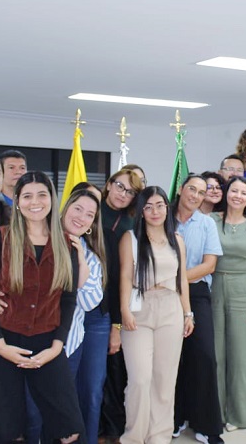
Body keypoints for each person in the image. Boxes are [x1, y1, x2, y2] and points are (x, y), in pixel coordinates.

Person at [0, 171, 83, 443]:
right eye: (27, 196)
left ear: (52, 199)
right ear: (16, 201)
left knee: (70, 429)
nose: (34, 202)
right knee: (7, 429)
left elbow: (69, 298)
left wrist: (57, 346)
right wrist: (0, 345)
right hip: (3, 342)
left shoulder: (66, 244)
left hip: (48, 343)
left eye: (41, 195)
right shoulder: (2, 239)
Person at [119, 186, 194, 444]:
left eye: (160, 205)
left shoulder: (177, 240)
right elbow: (125, 276)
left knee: (164, 380)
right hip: (139, 309)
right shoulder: (130, 238)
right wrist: (124, 310)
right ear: (141, 211)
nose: (155, 211)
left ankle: (159, 437)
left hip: (171, 308)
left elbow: (181, 280)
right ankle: (133, 437)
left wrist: (188, 313)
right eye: (148, 206)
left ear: (167, 208)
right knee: (140, 379)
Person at [210, 176, 246, 430]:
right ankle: (215, 413)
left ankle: (240, 415)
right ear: (226, 193)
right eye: (234, 191)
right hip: (213, 286)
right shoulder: (212, 220)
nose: (238, 196)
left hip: (244, 288)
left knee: (242, 354)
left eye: (243, 193)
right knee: (215, 353)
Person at [171, 175, 224, 444]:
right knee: (172, 358)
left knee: (203, 356)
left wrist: (175, 279)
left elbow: (209, 265)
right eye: (191, 189)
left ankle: (205, 424)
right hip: (163, 295)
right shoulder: (163, 218)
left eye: (201, 192)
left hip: (196, 292)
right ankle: (175, 417)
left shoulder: (206, 223)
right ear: (181, 189)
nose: (195, 195)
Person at [62, 185, 110, 444]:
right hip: (34, 341)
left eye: (89, 215)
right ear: (65, 208)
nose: (81, 217)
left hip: (70, 344)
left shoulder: (90, 257)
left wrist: (80, 259)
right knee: (35, 415)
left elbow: (89, 302)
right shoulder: (40, 241)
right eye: (77, 209)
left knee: (67, 409)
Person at [100, 168, 144, 443]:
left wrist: (116, 323)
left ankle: (112, 431)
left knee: (115, 372)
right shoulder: (89, 212)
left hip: (116, 303)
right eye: (119, 186)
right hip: (84, 302)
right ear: (109, 184)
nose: (122, 194)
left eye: (130, 192)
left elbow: (123, 277)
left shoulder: (131, 225)